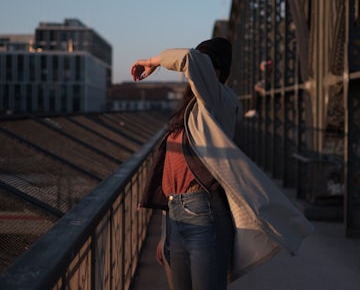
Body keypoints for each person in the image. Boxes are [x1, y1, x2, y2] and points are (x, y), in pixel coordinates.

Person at [131, 37, 313, 290]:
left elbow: (190, 59)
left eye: (210, 64)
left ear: (219, 72)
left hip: (204, 215)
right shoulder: (190, 111)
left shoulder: (219, 100)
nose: (202, 69)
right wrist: (164, 235)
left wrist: (152, 62)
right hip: (175, 217)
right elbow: (174, 175)